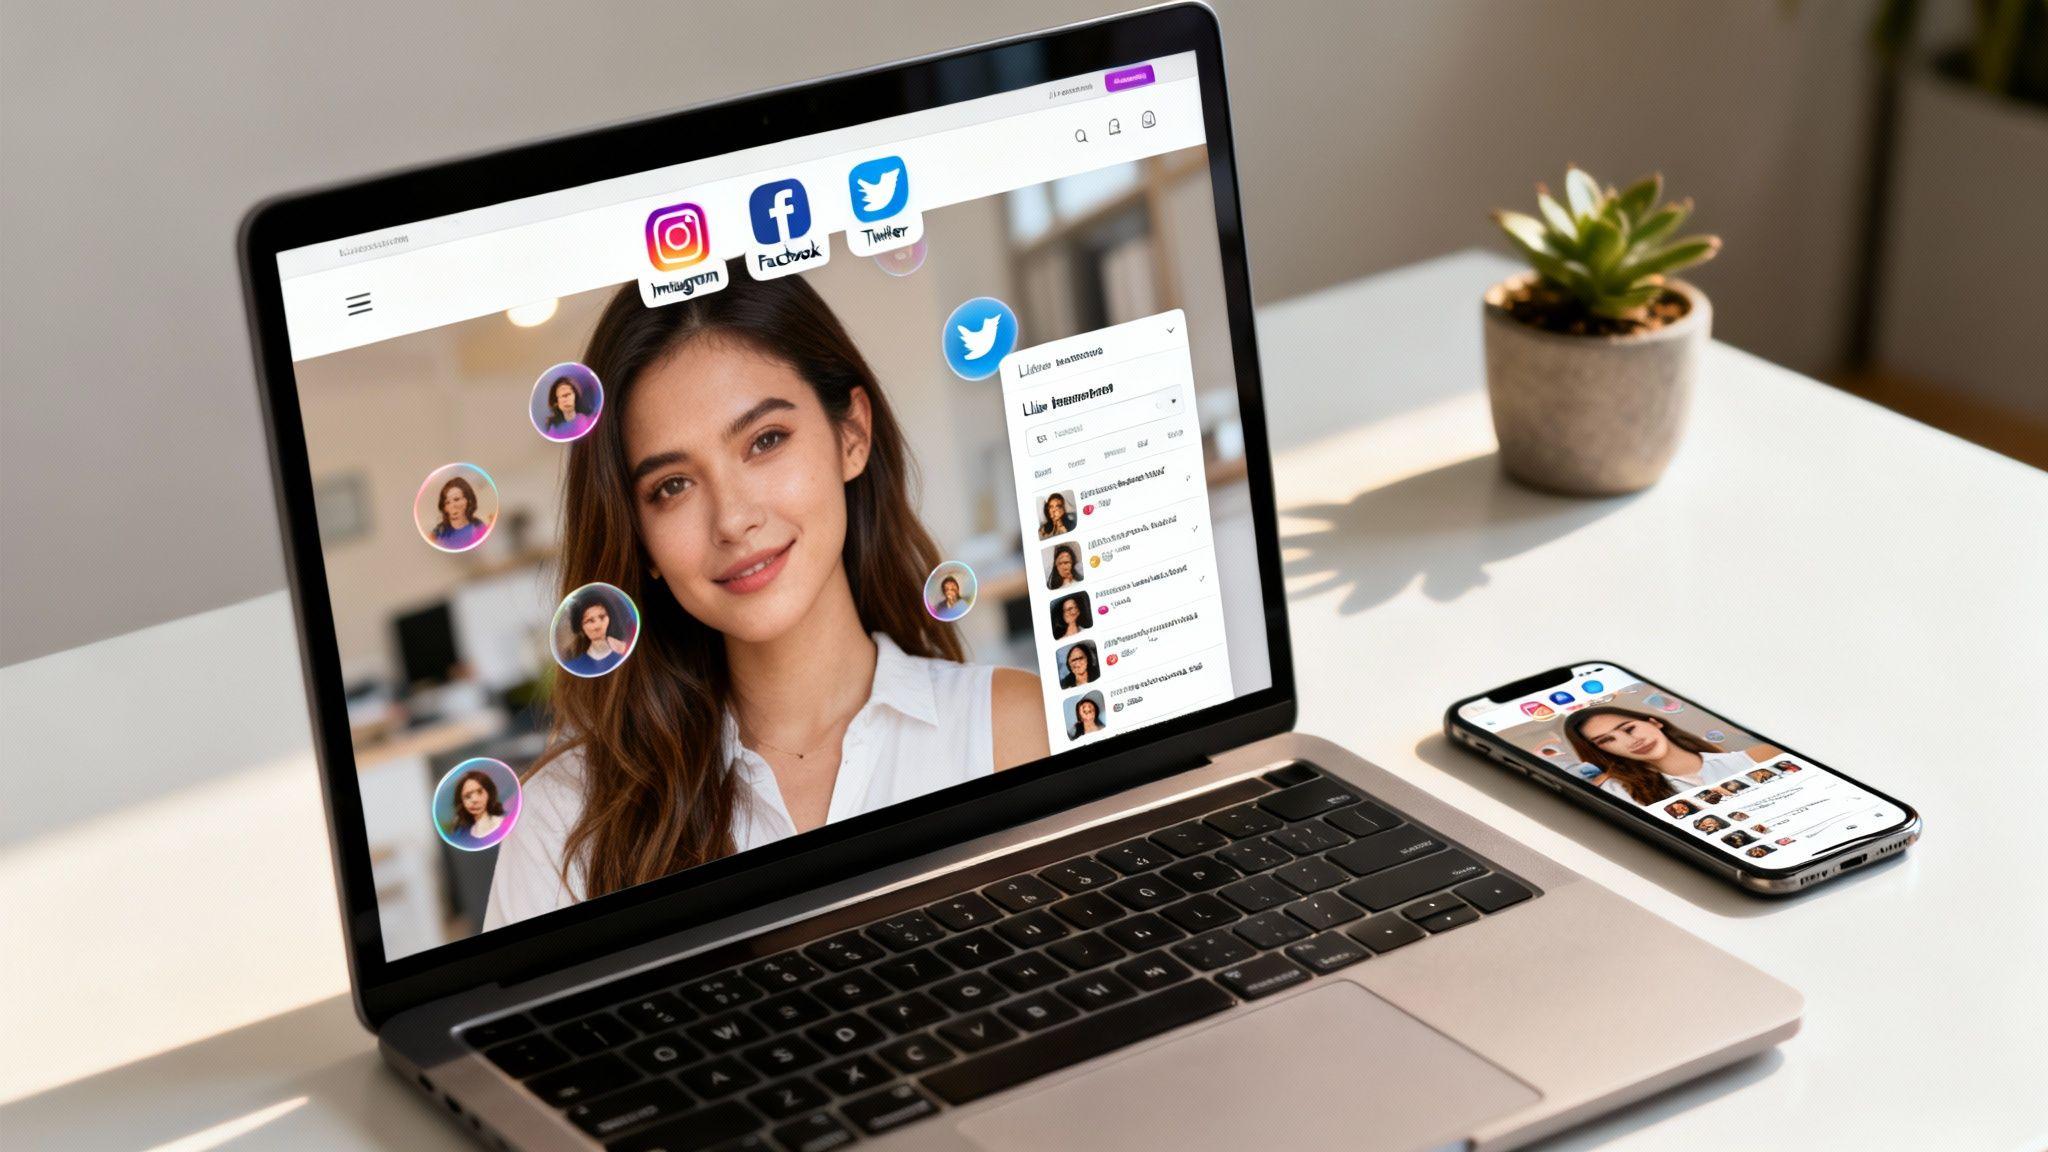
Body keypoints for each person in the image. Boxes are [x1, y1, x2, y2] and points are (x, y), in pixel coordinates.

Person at [486, 263, 1048, 927]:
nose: (732, 519)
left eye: (766, 440)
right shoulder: (561, 822)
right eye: (671, 486)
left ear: (852, 436)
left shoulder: (1017, 730)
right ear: (641, 542)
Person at [1564, 706, 1782, 806]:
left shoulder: (1760, 756)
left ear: (1654, 722)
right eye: (1607, 740)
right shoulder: (1619, 793)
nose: (1631, 742)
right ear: (1603, 751)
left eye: (1629, 729)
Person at [559, 589, 633, 676]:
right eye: (590, 620)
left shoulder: (625, 654)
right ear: (580, 626)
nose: (598, 625)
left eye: (602, 617)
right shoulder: (575, 666)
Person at [430, 475, 492, 550]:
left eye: (457, 499)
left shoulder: (478, 526)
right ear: (444, 508)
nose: (452, 505)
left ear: (468, 501)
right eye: (447, 502)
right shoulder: (439, 531)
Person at [448, 769, 507, 847]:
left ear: (489, 793)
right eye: (468, 796)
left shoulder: (505, 823)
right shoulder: (461, 837)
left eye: (479, 792)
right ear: (461, 802)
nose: (475, 800)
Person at [542, 373, 599, 440]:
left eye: (568, 394)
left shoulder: (589, 421)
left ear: (575, 396)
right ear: (556, 403)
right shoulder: (553, 430)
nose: (565, 400)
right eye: (561, 396)